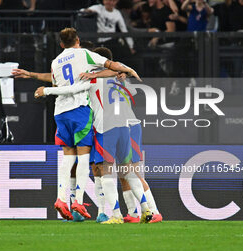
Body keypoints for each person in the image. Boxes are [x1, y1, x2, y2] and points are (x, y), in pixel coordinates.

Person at [34, 47, 153, 224]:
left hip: (105, 128)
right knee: (127, 171)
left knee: (104, 172)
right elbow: (129, 87)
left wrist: (46, 91)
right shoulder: (119, 78)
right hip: (124, 127)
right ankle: (145, 210)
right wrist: (123, 72)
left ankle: (116, 215)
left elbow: (68, 89)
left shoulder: (90, 78)